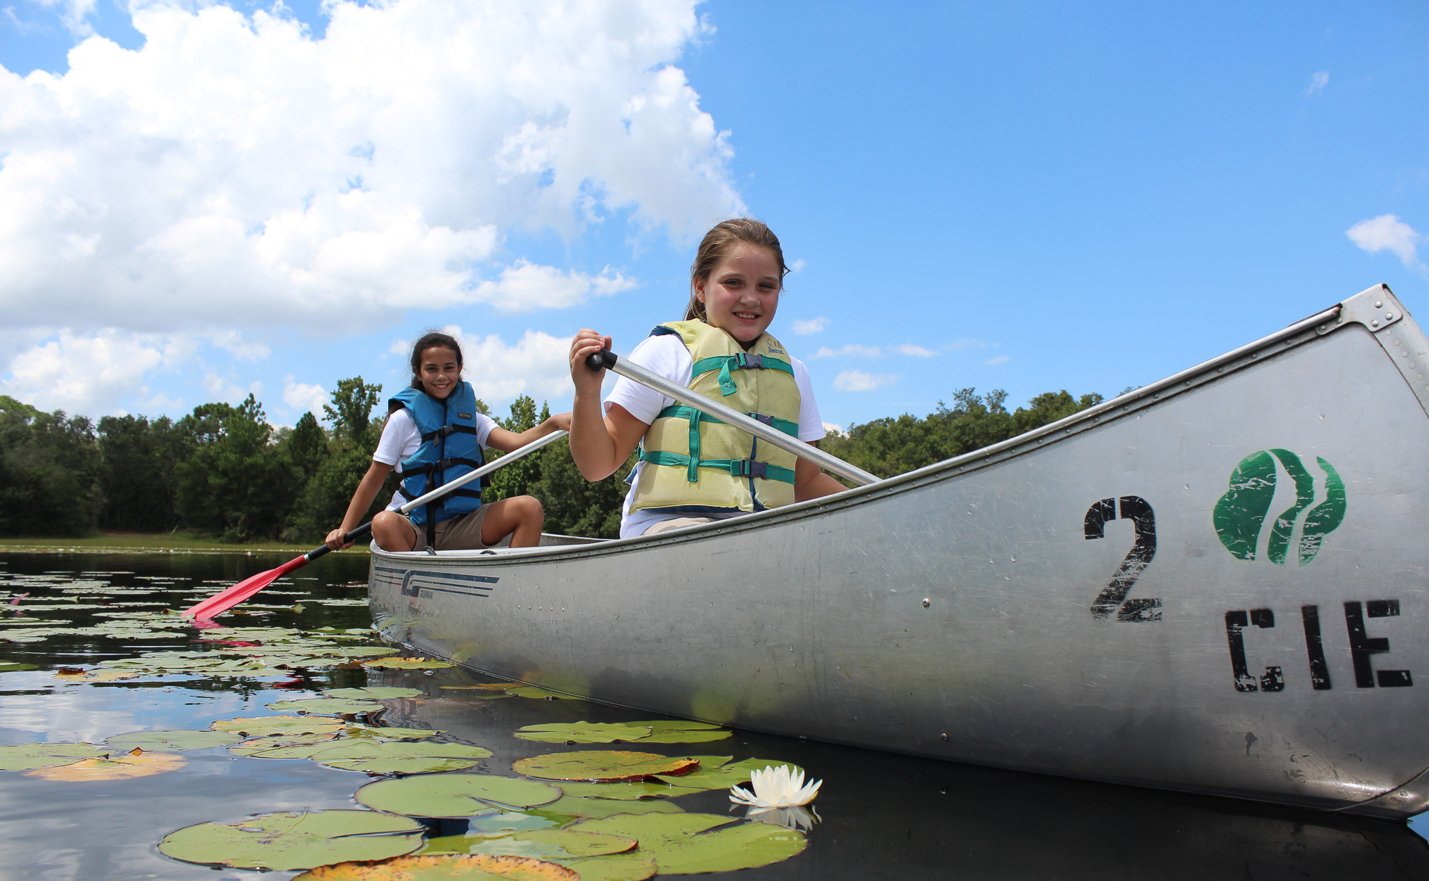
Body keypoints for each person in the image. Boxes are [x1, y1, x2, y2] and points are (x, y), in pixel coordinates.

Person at [568, 218, 847, 538]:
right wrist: (586, 393)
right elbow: (598, 465)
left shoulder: (794, 372)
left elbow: (806, 481)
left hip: (764, 534)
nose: (751, 299)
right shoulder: (666, 354)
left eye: (766, 286)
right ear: (701, 287)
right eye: (734, 283)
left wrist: (886, 505)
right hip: (668, 528)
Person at [326, 332, 571, 552]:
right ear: (418, 372)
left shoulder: (472, 420)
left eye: (449, 368)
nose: (441, 376)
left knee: (529, 507)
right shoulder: (402, 420)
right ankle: (416, 585)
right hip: (413, 526)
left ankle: (513, 586)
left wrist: (553, 423)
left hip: (462, 524)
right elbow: (373, 479)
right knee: (382, 522)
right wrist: (345, 529)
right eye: (431, 369)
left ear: (459, 369)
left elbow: (517, 442)